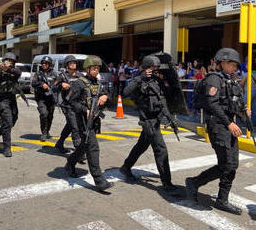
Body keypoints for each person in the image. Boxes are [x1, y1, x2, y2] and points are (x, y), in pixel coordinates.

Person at [185, 48, 248, 215]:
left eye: (235, 66)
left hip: (229, 126)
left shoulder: (230, 80)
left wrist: (242, 113)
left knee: (232, 164)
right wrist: (229, 123)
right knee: (226, 164)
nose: (235, 68)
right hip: (218, 127)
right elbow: (213, 104)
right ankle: (194, 182)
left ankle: (222, 199)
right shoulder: (214, 79)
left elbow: (232, 104)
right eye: (232, 65)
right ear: (223, 63)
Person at [119, 55, 180, 195]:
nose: (155, 70)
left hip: (156, 118)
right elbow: (125, 92)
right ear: (146, 67)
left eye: (156, 68)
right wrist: (141, 77)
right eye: (153, 67)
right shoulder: (139, 80)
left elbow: (162, 100)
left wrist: (170, 118)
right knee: (161, 150)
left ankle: (126, 167)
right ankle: (167, 183)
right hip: (148, 121)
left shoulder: (157, 81)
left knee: (141, 146)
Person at [65, 56, 114, 192]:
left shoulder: (98, 84)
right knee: (93, 147)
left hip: (94, 120)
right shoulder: (79, 83)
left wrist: (105, 97)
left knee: (83, 147)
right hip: (82, 120)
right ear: (87, 69)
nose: (96, 70)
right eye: (94, 68)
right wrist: (85, 110)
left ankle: (70, 162)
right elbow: (71, 102)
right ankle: (99, 181)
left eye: (98, 68)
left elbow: (108, 100)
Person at [53, 55, 82, 153]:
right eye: (71, 63)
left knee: (70, 125)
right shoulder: (62, 76)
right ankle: (79, 152)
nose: (73, 64)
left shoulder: (80, 76)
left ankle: (60, 142)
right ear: (67, 65)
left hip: (78, 104)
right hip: (67, 105)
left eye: (74, 63)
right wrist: (61, 85)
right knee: (75, 126)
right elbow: (53, 88)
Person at [32, 56, 57, 141]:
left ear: (50, 64)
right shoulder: (38, 73)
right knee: (44, 114)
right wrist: (41, 85)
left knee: (50, 116)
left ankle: (47, 131)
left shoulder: (54, 74)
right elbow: (33, 83)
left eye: (46, 63)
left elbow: (57, 84)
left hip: (51, 98)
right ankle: (43, 132)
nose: (44, 65)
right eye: (42, 63)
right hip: (41, 98)